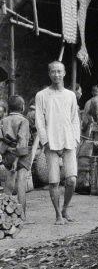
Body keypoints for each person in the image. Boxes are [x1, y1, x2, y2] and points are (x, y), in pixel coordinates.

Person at [34, 61, 81, 224]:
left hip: (69, 140)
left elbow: (75, 118)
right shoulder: (41, 95)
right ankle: (57, 215)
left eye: (59, 71)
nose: (56, 75)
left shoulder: (70, 95)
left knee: (72, 180)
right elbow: (39, 120)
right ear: (49, 74)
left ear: (65, 73)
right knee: (54, 180)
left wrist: (76, 138)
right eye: (53, 72)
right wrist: (45, 141)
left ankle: (65, 209)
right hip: (51, 142)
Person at [0, 95, 31, 215]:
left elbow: (1, 141)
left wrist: (8, 149)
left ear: (9, 108)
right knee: (21, 185)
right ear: (22, 107)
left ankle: (5, 214)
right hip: (20, 157)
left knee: (9, 185)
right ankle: (21, 215)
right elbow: (22, 141)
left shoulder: (3, 121)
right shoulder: (24, 121)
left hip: (7, 155)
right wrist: (16, 160)